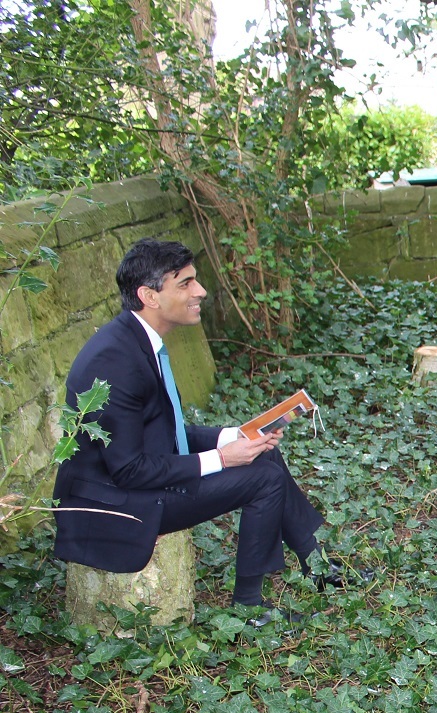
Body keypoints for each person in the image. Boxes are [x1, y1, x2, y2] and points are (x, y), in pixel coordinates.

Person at [51, 238, 350, 625]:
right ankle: (248, 608)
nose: (200, 291)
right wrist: (222, 459)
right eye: (186, 284)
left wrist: (233, 436)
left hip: (136, 483)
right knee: (265, 479)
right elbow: (129, 469)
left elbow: (162, 430)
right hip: (117, 505)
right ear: (149, 296)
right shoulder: (115, 360)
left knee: (266, 454)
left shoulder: (138, 340)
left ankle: (318, 566)